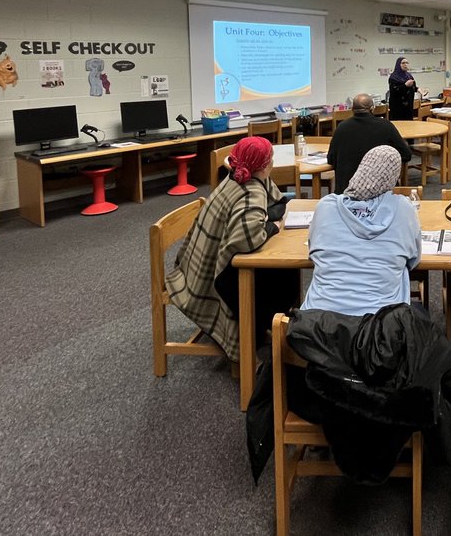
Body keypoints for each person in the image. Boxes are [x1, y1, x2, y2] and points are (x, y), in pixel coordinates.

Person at [166, 136, 296, 362]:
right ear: (264, 165)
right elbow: (247, 239)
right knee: (284, 278)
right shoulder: (251, 190)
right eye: (271, 159)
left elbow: (276, 204)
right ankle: (261, 331)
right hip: (214, 278)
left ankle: (261, 327)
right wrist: (271, 227)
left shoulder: (236, 176)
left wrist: (269, 217)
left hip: (195, 265)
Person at [301, 146, 421, 317]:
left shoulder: (325, 207)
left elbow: (313, 253)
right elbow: (414, 259)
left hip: (319, 326)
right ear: (394, 177)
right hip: (379, 329)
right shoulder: (403, 209)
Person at [327, 93, 412, 193]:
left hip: (347, 192)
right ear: (372, 108)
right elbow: (406, 155)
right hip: (378, 192)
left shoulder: (341, 127)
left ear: (352, 109)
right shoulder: (385, 126)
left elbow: (331, 159)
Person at [386, 57, 417, 121]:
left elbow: (413, 87)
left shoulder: (409, 76)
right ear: (398, 64)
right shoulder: (393, 77)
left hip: (409, 107)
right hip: (398, 108)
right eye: (403, 63)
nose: (405, 64)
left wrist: (419, 89)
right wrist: (405, 85)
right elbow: (394, 91)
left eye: (406, 63)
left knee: (409, 126)